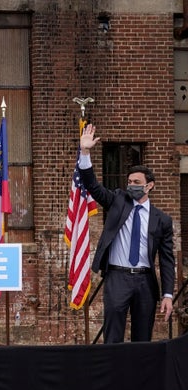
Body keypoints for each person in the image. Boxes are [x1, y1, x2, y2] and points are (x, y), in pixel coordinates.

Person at [78, 124, 175, 343]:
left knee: (142, 339)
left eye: (137, 183)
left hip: (145, 281)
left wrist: (168, 294)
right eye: (129, 182)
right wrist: (85, 152)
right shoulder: (117, 201)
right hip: (117, 278)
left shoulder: (162, 220)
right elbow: (92, 186)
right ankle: (112, 376)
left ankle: (138, 377)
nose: (131, 186)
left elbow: (167, 260)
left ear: (149, 186)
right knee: (113, 336)